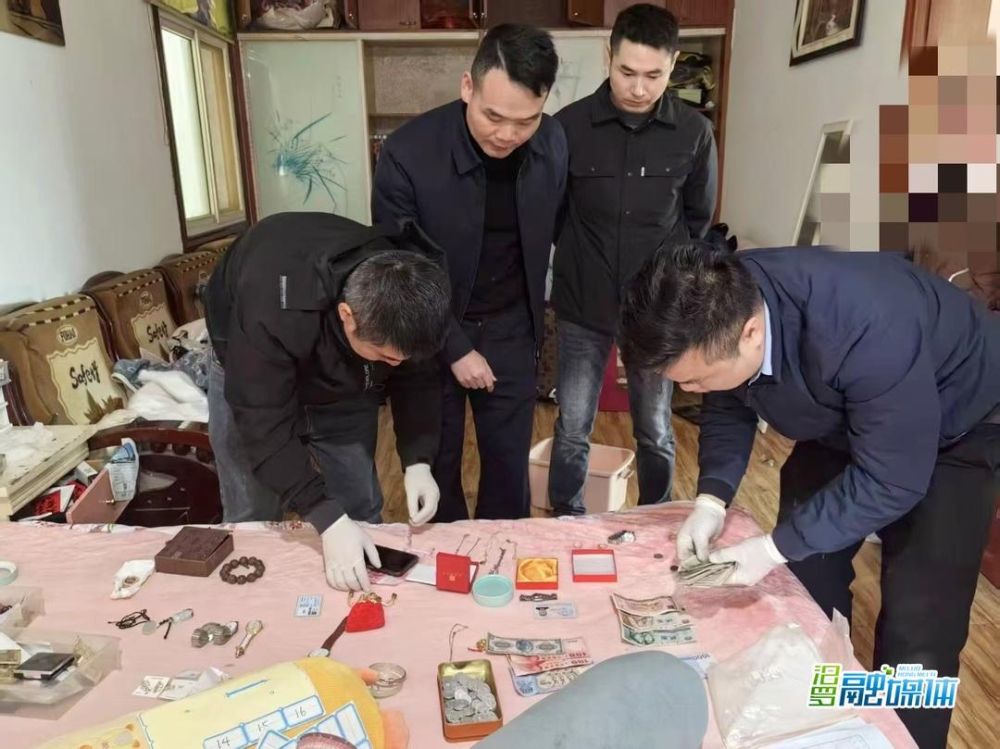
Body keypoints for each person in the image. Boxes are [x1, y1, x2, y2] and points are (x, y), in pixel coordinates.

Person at [619, 242, 1000, 749]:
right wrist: (711, 499)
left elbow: (893, 478)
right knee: (806, 575)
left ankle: (909, 738)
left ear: (751, 333)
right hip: (845, 411)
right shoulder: (724, 299)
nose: (692, 391)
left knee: (921, 626)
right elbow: (729, 397)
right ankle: (822, 707)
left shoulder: (864, 325)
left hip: (958, 425)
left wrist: (770, 548)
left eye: (694, 380)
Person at [372, 24, 567, 521]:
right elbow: (399, 266)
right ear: (467, 86)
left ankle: (505, 556)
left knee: (508, 465)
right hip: (429, 328)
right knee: (437, 463)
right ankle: (447, 559)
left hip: (512, 325)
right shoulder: (408, 153)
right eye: (493, 116)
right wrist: (455, 347)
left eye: (525, 121)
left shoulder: (552, 142)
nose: (507, 135)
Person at [204, 212, 451, 592]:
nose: (395, 366)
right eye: (386, 357)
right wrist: (324, 516)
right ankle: (255, 599)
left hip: (345, 373)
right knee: (253, 512)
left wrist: (418, 460)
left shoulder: (408, 286)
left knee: (360, 503)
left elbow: (417, 376)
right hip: (251, 358)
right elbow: (263, 423)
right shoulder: (271, 306)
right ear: (347, 316)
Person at [547, 4, 717, 516]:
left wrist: (671, 287)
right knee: (572, 426)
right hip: (583, 302)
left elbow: (697, 221)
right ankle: (566, 518)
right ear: (609, 56)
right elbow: (552, 214)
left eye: (653, 75)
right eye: (627, 72)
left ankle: (654, 517)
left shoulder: (693, 132)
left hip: (655, 309)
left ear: (673, 65)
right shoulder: (567, 128)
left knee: (655, 427)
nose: (639, 88)